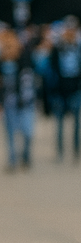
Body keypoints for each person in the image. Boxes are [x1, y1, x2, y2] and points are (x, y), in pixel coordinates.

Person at [0, 29, 37, 171]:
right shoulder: (0, 64)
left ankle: (25, 155)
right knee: (10, 133)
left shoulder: (26, 60)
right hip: (9, 102)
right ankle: (12, 160)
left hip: (26, 102)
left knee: (27, 132)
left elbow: (31, 81)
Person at [48, 16, 81, 161]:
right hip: (59, 90)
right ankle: (60, 152)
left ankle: (75, 151)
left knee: (75, 124)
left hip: (75, 89)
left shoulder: (78, 48)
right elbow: (52, 70)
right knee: (60, 124)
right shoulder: (57, 48)